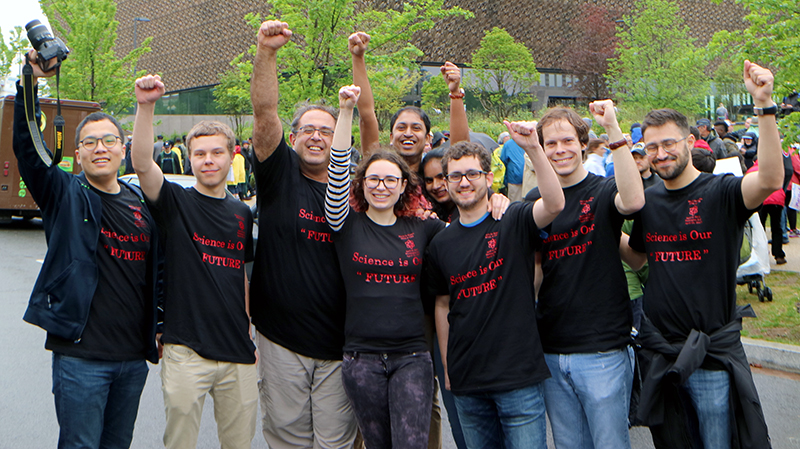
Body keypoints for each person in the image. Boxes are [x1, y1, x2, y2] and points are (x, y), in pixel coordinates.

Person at [625, 60, 777, 449]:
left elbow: (770, 180)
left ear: (691, 142)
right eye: (652, 146)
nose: (660, 153)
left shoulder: (722, 192)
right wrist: (603, 232)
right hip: (661, 352)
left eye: (669, 143)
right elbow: (640, 258)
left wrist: (764, 105)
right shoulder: (648, 201)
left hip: (710, 353)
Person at [14, 49, 159, 449]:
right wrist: (30, 80)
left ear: (122, 147)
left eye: (109, 140)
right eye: (90, 142)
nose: (100, 148)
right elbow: (28, 150)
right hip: (81, 359)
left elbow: (157, 273)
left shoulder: (140, 201)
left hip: (132, 360)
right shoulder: (64, 193)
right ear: (77, 153)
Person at [131, 75, 257, 449]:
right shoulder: (174, 202)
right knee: (180, 443)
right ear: (189, 157)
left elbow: (242, 275)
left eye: (216, 152)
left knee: (238, 443)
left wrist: (249, 330)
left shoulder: (241, 213)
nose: (208, 160)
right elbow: (141, 164)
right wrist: (146, 106)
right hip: (185, 350)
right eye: (199, 153)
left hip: (237, 352)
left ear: (231, 154)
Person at [248, 20, 358, 448]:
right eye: (307, 130)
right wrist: (267, 53)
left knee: (335, 443)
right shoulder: (279, 174)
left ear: (339, 140)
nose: (316, 136)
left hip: (340, 342)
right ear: (292, 138)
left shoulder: (355, 190)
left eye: (326, 130)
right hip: (282, 340)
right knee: (289, 440)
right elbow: (264, 112)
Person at [426, 121, 564, 448]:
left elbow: (555, 204)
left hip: (518, 377)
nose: (464, 182)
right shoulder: (440, 243)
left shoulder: (513, 220)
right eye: (455, 176)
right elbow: (443, 305)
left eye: (472, 174)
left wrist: (533, 147)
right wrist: (447, 368)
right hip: (467, 379)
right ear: (446, 182)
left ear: (488, 179)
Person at [324, 84, 445, 449]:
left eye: (390, 179)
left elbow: (469, 229)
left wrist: (498, 202)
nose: (381, 186)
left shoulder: (423, 227)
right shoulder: (345, 223)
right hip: (361, 357)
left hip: (411, 355)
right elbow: (337, 168)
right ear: (362, 184)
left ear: (403, 186)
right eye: (374, 179)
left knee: (410, 444)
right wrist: (345, 111)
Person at [524, 101, 645, 449]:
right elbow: (533, 270)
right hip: (552, 346)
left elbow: (634, 201)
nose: (560, 150)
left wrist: (613, 128)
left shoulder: (603, 191)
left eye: (567, 141)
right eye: (551, 143)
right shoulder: (537, 200)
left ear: (581, 143)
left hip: (602, 349)